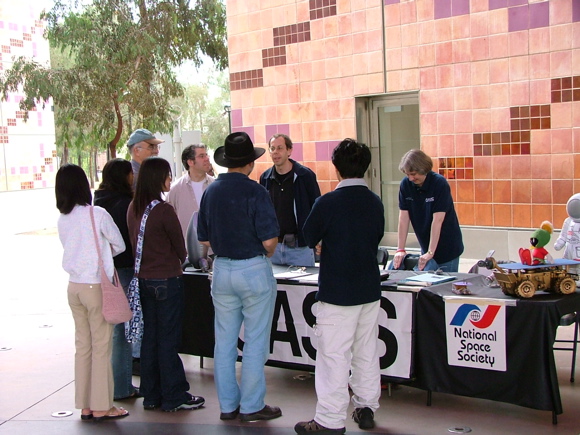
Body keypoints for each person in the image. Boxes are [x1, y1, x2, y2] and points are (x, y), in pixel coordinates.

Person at [294, 139, 384, 434]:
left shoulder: (328, 202)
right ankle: (366, 406)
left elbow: (309, 236)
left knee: (334, 357)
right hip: (369, 289)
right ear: (366, 168)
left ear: (336, 168)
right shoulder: (375, 202)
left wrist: (324, 242)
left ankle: (330, 420)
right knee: (366, 351)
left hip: (337, 291)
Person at [197, 132, 282, 422]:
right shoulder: (256, 191)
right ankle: (251, 405)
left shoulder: (210, 191)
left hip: (221, 269)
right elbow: (270, 241)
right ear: (249, 163)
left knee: (224, 342)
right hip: (253, 268)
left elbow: (204, 239)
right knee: (256, 341)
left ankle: (228, 405)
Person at [127, 157, 205, 412]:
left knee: (150, 337)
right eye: (167, 175)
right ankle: (174, 394)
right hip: (167, 280)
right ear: (158, 178)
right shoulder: (163, 210)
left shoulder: (133, 208)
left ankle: (151, 394)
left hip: (143, 280)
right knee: (168, 338)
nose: (170, 180)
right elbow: (180, 248)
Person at [55, 164, 129, 422]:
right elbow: (119, 244)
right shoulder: (97, 214)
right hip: (96, 287)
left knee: (83, 346)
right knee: (101, 347)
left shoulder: (63, 219)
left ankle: (85, 405)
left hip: (73, 287)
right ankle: (102, 406)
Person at [94, 158, 141, 400]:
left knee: (111, 329)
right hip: (124, 269)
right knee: (123, 331)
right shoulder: (126, 204)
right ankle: (122, 387)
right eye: (130, 174)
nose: (133, 177)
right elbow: (129, 240)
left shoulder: (98, 201)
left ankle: (113, 385)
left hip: (104, 271)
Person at [390, 149, 463, 272]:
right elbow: (403, 218)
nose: (411, 178)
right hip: (426, 242)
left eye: (413, 174)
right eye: (408, 174)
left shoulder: (439, 183)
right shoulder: (406, 185)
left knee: (444, 287)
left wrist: (431, 252)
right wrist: (400, 249)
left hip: (447, 245)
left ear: (423, 169)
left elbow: (438, 220)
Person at [259, 133, 321, 266]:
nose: (276, 152)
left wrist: (315, 239)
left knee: (303, 287)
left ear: (289, 150)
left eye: (280, 148)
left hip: (300, 249)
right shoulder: (265, 178)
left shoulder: (305, 176)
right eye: (272, 148)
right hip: (273, 248)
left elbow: (317, 209)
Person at [166, 144, 214, 241]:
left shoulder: (215, 186)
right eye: (201, 156)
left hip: (214, 249)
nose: (207, 158)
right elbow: (168, 221)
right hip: (187, 250)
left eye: (206, 155)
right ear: (190, 162)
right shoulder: (176, 189)